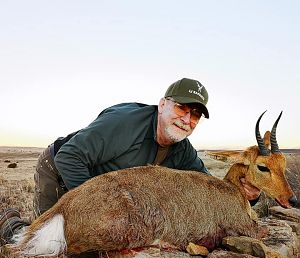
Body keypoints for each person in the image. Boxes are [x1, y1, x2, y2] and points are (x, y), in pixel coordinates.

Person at [0, 78, 261, 245]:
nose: (187, 120)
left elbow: (208, 188)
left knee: (94, 243)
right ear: (162, 104)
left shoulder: (182, 149)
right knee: (43, 243)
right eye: (182, 108)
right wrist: (95, 206)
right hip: (60, 168)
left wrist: (246, 192)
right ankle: (10, 224)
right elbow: (71, 156)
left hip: (98, 189)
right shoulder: (125, 122)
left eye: (195, 115)